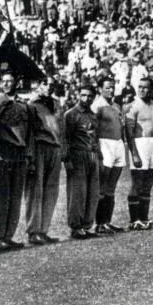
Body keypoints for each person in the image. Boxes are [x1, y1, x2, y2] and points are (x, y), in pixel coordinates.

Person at [0, 73, 34, 251]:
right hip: (3, 154)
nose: (7, 84)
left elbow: (29, 132)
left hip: (20, 154)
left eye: (10, 80)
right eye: (3, 81)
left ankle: (8, 235)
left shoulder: (23, 105)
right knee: (2, 197)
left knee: (15, 197)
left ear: (17, 82)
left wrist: (29, 156)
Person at [26, 77, 65, 244]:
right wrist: (30, 156)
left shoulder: (56, 104)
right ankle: (34, 231)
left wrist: (63, 150)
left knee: (51, 190)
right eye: (44, 83)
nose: (48, 87)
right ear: (38, 85)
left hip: (55, 148)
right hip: (39, 146)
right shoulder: (32, 105)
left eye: (50, 84)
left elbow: (61, 129)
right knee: (36, 190)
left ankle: (44, 230)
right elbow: (29, 132)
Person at [65, 85, 101, 239]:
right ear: (78, 95)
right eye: (83, 95)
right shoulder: (71, 114)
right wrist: (67, 159)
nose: (86, 99)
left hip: (92, 155)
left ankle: (87, 225)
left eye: (89, 96)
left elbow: (95, 138)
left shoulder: (93, 115)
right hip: (77, 155)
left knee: (92, 192)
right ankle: (76, 226)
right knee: (78, 192)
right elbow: (66, 138)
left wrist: (99, 157)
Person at [124, 77, 153, 230]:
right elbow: (129, 132)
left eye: (146, 87)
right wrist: (134, 154)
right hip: (140, 144)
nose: (142, 90)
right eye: (140, 87)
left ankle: (144, 218)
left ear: (152, 89)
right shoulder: (132, 106)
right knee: (137, 183)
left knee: (148, 184)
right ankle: (134, 220)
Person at [93, 77, 128, 233]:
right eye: (107, 88)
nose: (111, 90)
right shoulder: (97, 106)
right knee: (102, 185)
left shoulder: (116, 106)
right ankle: (100, 223)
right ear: (100, 88)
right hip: (104, 144)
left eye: (113, 87)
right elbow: (92, 129)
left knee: (111, 187)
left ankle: (107, 221)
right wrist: (97, 149)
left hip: (118, 145)